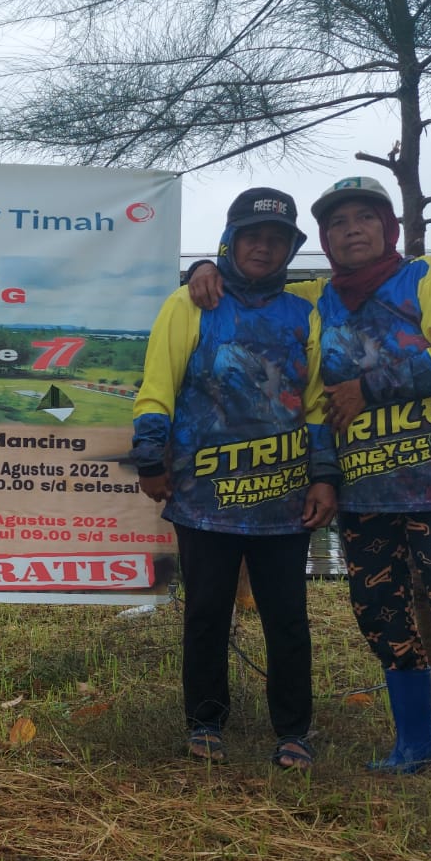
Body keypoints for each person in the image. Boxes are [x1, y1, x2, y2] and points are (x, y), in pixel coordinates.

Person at [188, 176, 431, 812]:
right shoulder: (317, 300)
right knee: (380, 612)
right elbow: (254, 287)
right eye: (338, 222)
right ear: (324, 240)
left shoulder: (426, 278)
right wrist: (205, 269)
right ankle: (415, 744)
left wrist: (370, 388)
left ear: (388, 227)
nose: (351, 230)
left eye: (365, 218)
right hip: (363, 494)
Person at [132, 188, 338, 769]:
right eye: (252, 236)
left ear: (291, 250)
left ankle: (293, 729)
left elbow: (317, 403)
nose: (264, 247)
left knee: (287, 618)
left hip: (284, 498)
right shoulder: (190, 304)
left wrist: (324, 476)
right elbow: (158, 386)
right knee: (206, 613)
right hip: (203, 494)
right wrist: (149, 459)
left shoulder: (306, 311)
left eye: (276, 239)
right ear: (230, 241)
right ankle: (204, 721)